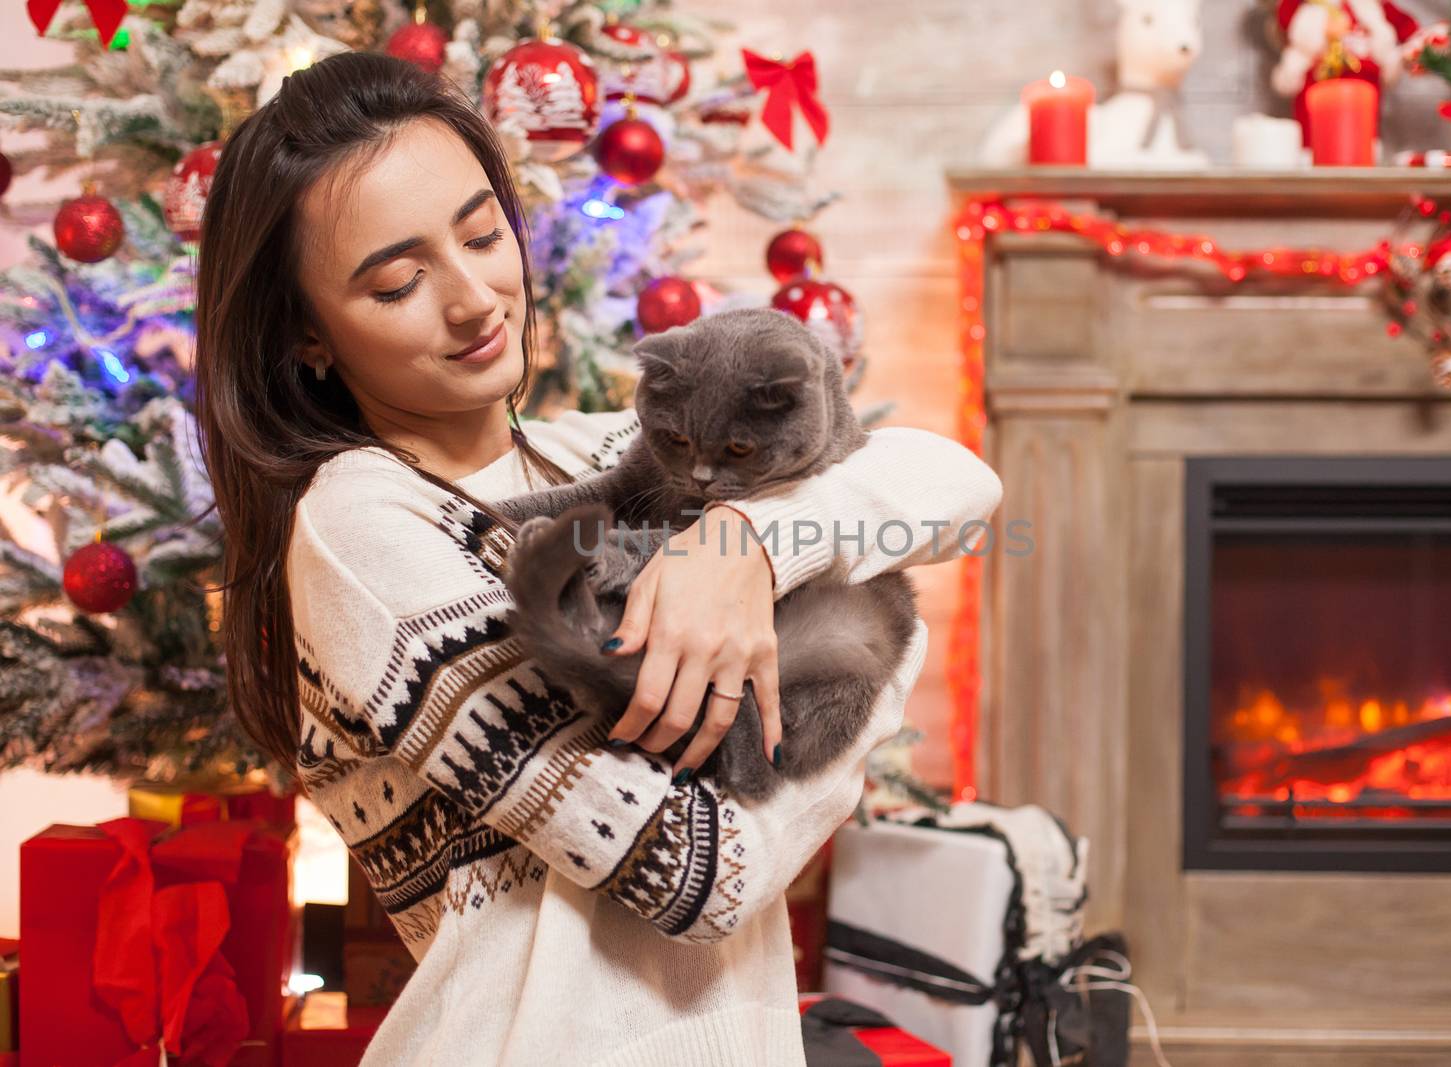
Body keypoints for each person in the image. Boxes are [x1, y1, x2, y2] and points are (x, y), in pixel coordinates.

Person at [193, 51, 1002, 1065]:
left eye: (484, 233)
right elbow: (696, 871)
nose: (475, 297)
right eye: (398, 282)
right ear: (308, 336)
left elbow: (956, 482)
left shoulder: (592, 455)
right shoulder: (361, 528)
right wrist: (887, 670)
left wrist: (747, 540)